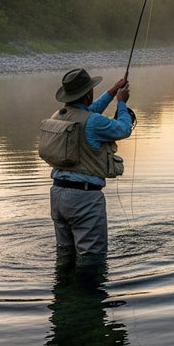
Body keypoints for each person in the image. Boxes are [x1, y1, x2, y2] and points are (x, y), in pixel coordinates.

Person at [47, 68, 134, 271]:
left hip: (57, 195)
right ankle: (90, 291)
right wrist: (122, 103)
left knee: (65, 254)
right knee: (91, 259)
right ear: (88, 94)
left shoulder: (58, 116)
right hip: (84, 198)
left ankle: (64, 289)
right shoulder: (93, 122)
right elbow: (123, 129)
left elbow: (89, 112)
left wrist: (112, 91)